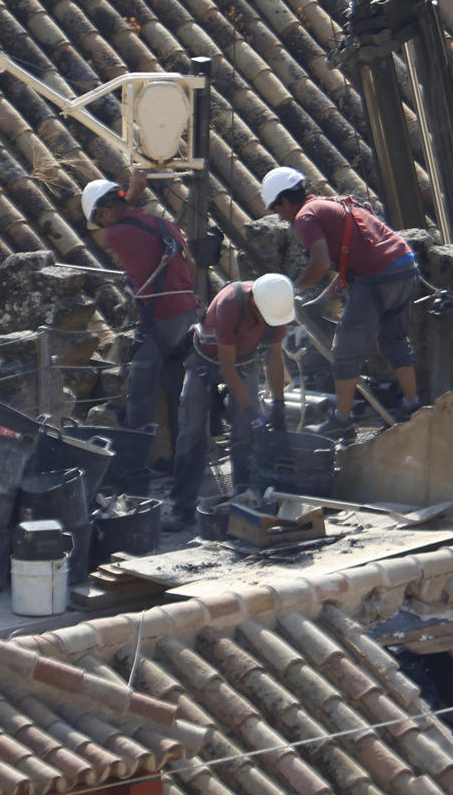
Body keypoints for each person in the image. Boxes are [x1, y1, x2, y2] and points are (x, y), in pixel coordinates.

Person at [260, 166, 422, 433]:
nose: (280, 217)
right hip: (404, 268)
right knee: (395, 341)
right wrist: (324, 299)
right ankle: (412, 405)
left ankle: (342, 421)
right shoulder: (333, 204)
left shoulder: (305, 217)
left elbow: (321, 262)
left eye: (277, 209)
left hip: (377, 277)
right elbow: (352, 262)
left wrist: (294, 289)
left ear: (285, 201)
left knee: (345, 353)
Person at [170, 273, 296, 528]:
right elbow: (227, 369)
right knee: (192, 433)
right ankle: (181, 508)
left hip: (245, 363)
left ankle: (244, 499)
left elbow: (274, 357)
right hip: (204, 361)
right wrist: (252, 413)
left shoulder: (276, 307)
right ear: (255, 302)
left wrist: (278, 404)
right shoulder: (231, 303)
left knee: (245, 435)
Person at [83, 172, 200, 442]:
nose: (102, 228)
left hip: (161, 318)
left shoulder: (116, 234)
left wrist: (132, 192)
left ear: (105, 213)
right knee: (178, 388)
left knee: (140, 390)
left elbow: (117, 224)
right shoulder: (167, 226)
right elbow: (192, 268)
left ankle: (135, 454)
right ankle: (184, 454)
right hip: (188, 314)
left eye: (100, 221)